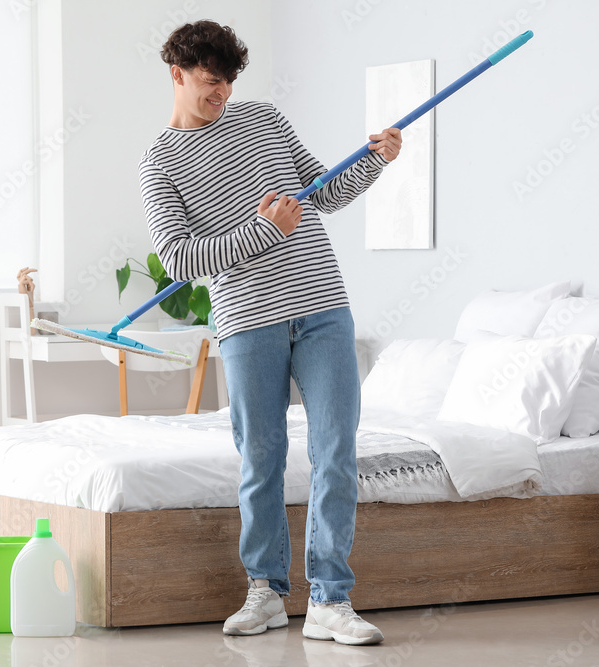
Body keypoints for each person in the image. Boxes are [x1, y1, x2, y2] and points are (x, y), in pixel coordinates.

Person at [140, 20, 401, 646]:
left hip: (322, 307)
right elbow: (179, 261)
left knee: (336, 450)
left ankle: (331, 601)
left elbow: (324, 193)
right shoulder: (159, 160)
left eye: (227, 84)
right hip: (246, 320)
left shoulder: (263, 119)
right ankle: (266, 591)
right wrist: (265, 232)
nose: (221, 96)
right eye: (208, 84)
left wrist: (374, 161)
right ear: (176, 74)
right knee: (261, 458)